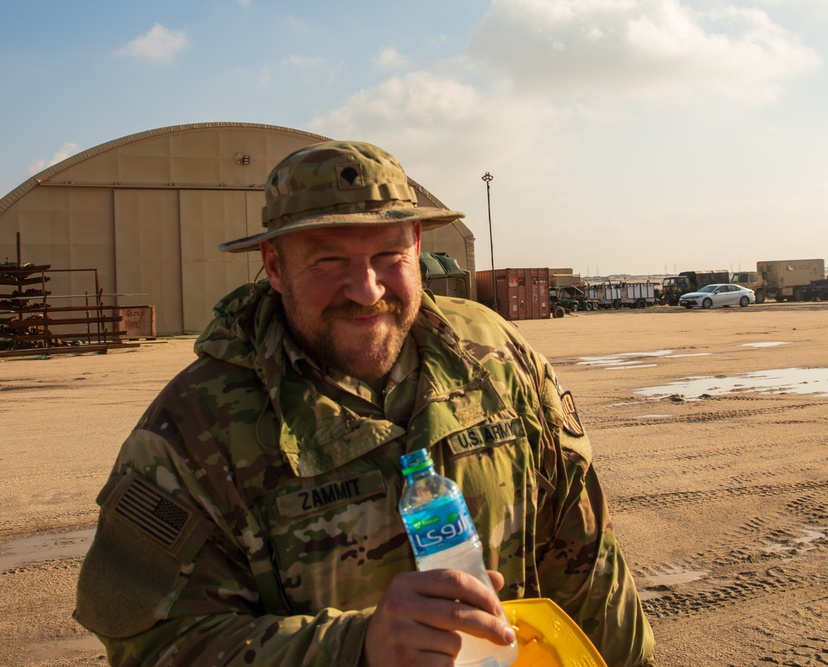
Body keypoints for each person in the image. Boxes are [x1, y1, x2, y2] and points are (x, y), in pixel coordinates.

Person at [74, 141, 657, 667]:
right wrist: (355, 649)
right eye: (329, 261)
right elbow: (152, 646)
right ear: (275, 266)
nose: (367, 290)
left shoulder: (496, 357)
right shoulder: (192, 428)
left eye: (387, 256)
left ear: (418, 246)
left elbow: (584, 559)